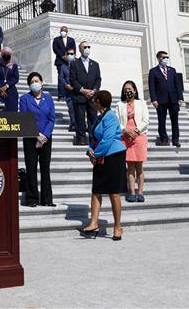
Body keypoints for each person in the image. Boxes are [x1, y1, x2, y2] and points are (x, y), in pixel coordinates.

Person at [79, 90, 127, 240]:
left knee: (113, 192)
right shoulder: (99, 118)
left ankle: (118, 226)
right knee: (96, 190)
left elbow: (107, 140)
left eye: (94, 100)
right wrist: (90, 151)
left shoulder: (111, 116)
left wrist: (96, 154)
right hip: (101, 156)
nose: (93, 102)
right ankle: (94, 222)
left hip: (113, 156)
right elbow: (94, 138)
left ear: (99, 101)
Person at [19, 72, 55, 207]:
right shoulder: (24, 99)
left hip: (46, 138)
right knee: (31, 167)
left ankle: (47, 199)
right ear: (29, 85)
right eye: (32, 82)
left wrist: (45, 135)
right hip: (30, 137)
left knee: (45, 168)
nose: (35, 83)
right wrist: (37, 135)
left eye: (37, 81)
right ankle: (32, 198)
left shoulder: (48, 98)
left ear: (41, 82)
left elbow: (52, 119)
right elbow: (25, 117)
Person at [116, 80, 149, 203]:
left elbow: (145, 120)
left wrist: (136, 131)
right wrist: (125, 130)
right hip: (126, 137)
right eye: (125, 90)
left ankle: (140, 192)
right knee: (130, 167)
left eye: (130, 89)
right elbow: (117, 121)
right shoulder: (120, 105)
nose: (128, 91)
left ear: (135, 90)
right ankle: (132, 192)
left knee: (139, 166)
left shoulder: (142, 103)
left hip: (139, 136)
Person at [148, 50, 184, 147]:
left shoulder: (172, 70)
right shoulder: (153, 71)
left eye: (166, 57)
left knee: (175, 121)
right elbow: (152, 86)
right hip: (161, 100)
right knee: (162, 120)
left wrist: (180, 97)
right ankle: (164, 139)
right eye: (164, 57)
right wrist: (153, 99)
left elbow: (177, 85)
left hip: (173, 99)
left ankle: (175, 139)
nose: (166, 59)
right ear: (159, 58)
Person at [70, 41, 101, 146]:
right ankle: (81, 138)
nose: (87, 49)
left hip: (92, 96)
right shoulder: (74, 63)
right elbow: (72, 80)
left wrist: (94, 90)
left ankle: (93, 138)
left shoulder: (95, 64)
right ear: (80, 49)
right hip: (79, 96)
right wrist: (83, 90)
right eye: (85, 47)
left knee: (93, 118)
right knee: (80, 118)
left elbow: (98, 79)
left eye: (88, 47)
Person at [52, 26, 75, 95]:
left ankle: (68, 93)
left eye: (64, 31)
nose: (63, 32)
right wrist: (62, 56)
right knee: (61, 77)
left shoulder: (71, 40)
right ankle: (61, 94)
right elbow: (55, 49)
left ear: (67, 32)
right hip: (60, 61)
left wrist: (70, 57)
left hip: (69, 61)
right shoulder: (56, 40)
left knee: (69, 77)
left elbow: (73, 49)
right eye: (62, 30)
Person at [58, 47, 77, 131]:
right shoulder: (63, 66)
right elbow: (61, 77)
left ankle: (78, 124)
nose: (70, 55)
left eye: (72, 54)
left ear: (75, 55)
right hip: (68, 91)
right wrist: (66, 85)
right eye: (68, 54)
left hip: (77, 91)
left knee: (78, 109)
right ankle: (73, 123)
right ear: (65, 55)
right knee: (71, 108)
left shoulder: (78, 64)